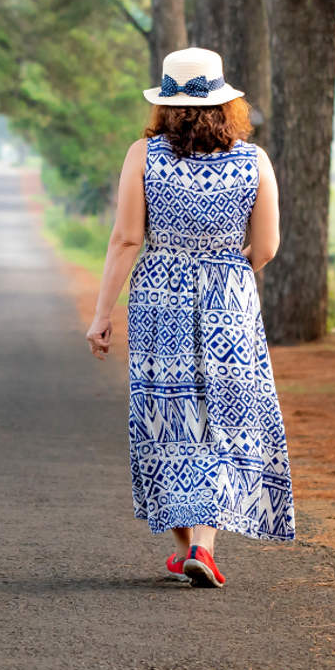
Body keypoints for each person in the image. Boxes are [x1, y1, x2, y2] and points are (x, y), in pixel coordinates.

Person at [85, 47, 295, 588]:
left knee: (170, 416)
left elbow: (128, 237)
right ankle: (202, 547)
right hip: (230, 297)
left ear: (164, 105)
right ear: (227, 104)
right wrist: (228, 272)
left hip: (162, 296)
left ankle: (187, 551)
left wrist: (103, 314)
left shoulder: (144, 155)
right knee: (222, 419)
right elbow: (267, 245)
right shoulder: (255, 161)